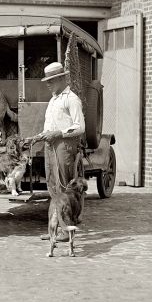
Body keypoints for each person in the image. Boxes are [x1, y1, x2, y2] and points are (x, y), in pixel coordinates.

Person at [33, 62, 85, 242]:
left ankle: (66, 231)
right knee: (53, 186)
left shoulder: (71, 99)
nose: (48, 84)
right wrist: (39, 136)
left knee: (63, 189)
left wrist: (59, 134)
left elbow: (80, 127)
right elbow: (50, 126)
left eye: (52, 80)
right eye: (47, 81)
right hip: (50, 146)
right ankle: (55, 229)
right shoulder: (53, 100)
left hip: (64, 146)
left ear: (62, 79)